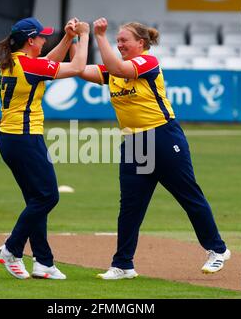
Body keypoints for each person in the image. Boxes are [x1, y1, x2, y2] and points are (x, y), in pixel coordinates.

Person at [78, 18, 230, 279]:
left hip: (163, 136)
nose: (120, 43)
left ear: (141, 43)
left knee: (188, 196)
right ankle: (123, 264)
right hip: (134, 142)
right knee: (130, 207)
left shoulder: (147, 62)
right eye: (118, 40)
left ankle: (218, 249)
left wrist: (99, 36)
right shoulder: (114, 71)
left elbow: (117, 67)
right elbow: (79, 69)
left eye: (125, 40)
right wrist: (78, 37)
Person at [0, 17, 89, 279]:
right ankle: (10, 248)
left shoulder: (15, 62)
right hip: (24, 138)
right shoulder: (29, 65)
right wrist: (82, 36)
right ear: (30, 40)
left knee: (36, 199)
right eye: (41, 36)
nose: (44, 40)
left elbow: (47, 63)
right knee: (47, 197)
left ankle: (43, 262)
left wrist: (66, 37)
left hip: (11, 138)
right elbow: (77, 67)